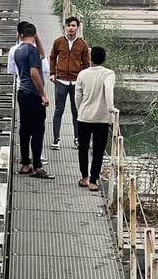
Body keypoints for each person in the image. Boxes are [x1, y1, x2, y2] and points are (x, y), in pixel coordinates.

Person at [14, 23, 54, 179]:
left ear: (21, 35)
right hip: (33, 94)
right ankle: (37, 167)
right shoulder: (32, 51)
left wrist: (35, 38)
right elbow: (34, 73)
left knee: (25, 129)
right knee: (38, 130)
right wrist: (43, 94)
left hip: (22, 93)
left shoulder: (18, 50)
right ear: (34, 35)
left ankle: (25, 164)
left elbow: (42, 56)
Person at [75, 45, 116, 191]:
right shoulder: (109, 74)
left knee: (83, 148)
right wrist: (110, 107)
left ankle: (84, 177)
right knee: (98, 150)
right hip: (102, 118)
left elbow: (78, 96)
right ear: (104, 59)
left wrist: (80, 110)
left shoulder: (82, 74)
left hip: (84, 116)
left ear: (91, 58)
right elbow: (109, 90)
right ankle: (93, 181)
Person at [48, 16, 91, 150]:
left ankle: (77, 139)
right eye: (69, 25)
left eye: (73, 26)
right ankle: (56, 139)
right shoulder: (58, 42)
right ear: (64, 27)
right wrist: (52, 73)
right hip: (61, 80)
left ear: (77, 28)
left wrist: (84, 79)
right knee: (58, 110)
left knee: (76, 111)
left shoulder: (82, 44)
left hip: (76, 82)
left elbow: (86, 63)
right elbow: (53, 57)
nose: (71, 28)